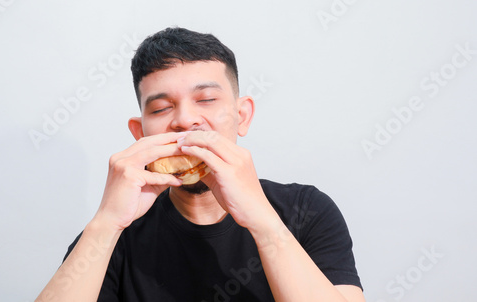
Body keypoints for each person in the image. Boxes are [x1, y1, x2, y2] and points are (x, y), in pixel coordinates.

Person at [36, 27, 365, 302]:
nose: (185, 120)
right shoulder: (111, 239)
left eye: (206, 100)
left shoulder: (305, 211)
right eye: (163, 107)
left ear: (242, 116)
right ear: (140, 134)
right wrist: (106, 224)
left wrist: (264, 224)